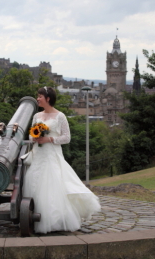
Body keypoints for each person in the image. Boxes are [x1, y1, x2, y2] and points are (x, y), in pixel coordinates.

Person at [23, 86, 101, 234]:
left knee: (52, 185)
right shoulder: (36, 116)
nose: (37, 98)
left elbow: (66, 138)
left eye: (40, 96)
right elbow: (30, 135)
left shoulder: (60, 116)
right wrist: (35, 138)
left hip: (52, 154)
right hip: (38, 155)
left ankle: (54, 220)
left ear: (48, 98)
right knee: (34, 181)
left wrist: (49, 139)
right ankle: (32, 215)